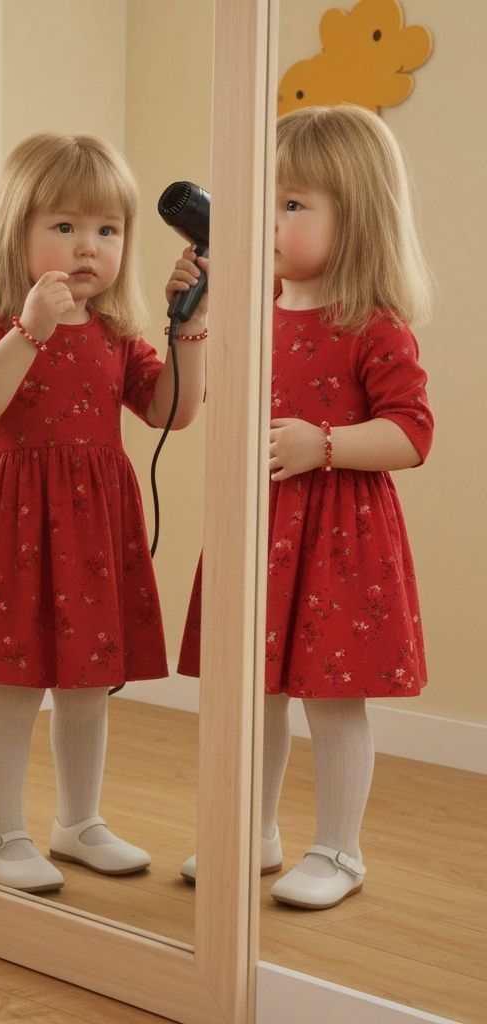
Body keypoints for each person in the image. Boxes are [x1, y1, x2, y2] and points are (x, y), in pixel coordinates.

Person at [0, 131, 208, 893]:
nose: (88, 247)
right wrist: (29, 331)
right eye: (64, 227)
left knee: (89, 685)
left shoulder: (117, 332)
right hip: (15, 525)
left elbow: (171, 410)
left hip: (92, 526)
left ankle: (78, 821)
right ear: (14, 233)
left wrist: (192, 323)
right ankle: (1, 833)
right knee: (13, 686)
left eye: (107, 230)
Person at [178, 104, 433, 910]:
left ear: (352, 215)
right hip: (259, 529)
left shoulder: (373, 324)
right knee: (251, 691)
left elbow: (413, 433)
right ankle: (252, 832)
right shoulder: (250, 315)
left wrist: (323, 444)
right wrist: (196, 315)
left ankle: (339, 850)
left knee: (332, 696)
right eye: (264, 200)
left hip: (338, 535)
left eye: (293, 204)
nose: (268, 220)